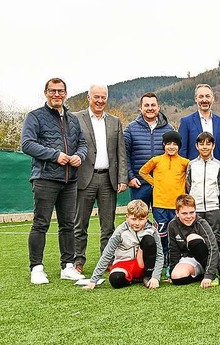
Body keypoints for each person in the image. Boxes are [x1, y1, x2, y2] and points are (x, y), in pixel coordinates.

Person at [21, 77, 87, 284]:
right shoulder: (35, 117)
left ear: (66, 93)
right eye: (53, 91)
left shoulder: (73, 119)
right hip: (45, 178)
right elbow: (27, 144)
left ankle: (67, 266)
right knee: (41, 223)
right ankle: (37, 268)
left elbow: (82, 144)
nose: (57, 95)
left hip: (70, 180)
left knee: (67, 225)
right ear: (46, 93)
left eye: (60, 91)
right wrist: (54, 155)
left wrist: (80, 156)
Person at [73, 84, 128, 275]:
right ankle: (77, 261)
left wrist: (122, 177)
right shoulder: (76, 118)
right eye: (96, 97)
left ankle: (107, 261)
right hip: (84, 178)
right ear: (88, 97)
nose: (99, 101)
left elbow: (121, 152)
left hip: (108, 180)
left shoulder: (115, 121)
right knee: (80, 224)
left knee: (108, 226)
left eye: (103, 97)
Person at [83, 200, 163, 290]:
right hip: (123, 264)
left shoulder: (152, 230)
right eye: (133, 219)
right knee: (115, 280)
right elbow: (107, 254)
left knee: (148, 240)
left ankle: (147, 276)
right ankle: (133, 279)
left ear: (146, 218)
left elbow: (160, 255)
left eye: (141, 219)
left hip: (141, 264)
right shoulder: (120, 231)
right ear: (127, 217)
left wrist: (155, 277)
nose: (137, 223)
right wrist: (93, 280)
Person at [139, 131, 190, 256]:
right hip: (160, 204)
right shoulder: (156, 160)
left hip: (177, 205)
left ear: (179, 146)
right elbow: (143, 172)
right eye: (168, 144)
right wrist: (154, 182)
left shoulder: (185, 162)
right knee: (161, 233)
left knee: (176, 233)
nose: (171, 147)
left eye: (175, 144)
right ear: (163, 145)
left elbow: (191, 177)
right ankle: (161, 257)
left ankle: (174, 257)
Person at [124, 92, 175, 206]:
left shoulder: (169, 128)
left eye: (153, 105)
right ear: (140, 108)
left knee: (162, 221)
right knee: (138, 220)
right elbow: (124, 156)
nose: (150, 108)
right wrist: (130, 177)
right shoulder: (130, 129)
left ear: (158, 107)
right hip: (139, 184)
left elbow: (175, 155)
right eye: (146, 105)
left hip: (162, 184)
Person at [167, 194, 220, 288]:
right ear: (177, 213)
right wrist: (172, 270)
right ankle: (199, 276)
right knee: (176, 277)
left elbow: (213, 248)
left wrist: (209, 275)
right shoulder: (172, 225)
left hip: (205, 258)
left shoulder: (201, 223)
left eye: (192, 212)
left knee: (192, 238)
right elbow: (173, 250)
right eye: (184, 213)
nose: (189, 216)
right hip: (188, 259)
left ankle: (212, 275)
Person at [178, 83, 220, 162]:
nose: (204, 100)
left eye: (208, 96)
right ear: (196, 99)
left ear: (213, 98)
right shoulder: (186, 122)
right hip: (194, 170)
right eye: (201, 96)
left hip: (216, 170)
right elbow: (182, 151)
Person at [186, 131, 220, 232]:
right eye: (201, 144)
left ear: (213, 145)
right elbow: (188, 184)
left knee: (214, 235)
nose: (205, 147)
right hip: (196, 208)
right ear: (196, 146)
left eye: (208, 144)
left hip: (213, 207)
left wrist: (213, 195)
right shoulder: (192, 164)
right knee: (196, 234)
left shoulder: (218, 164)